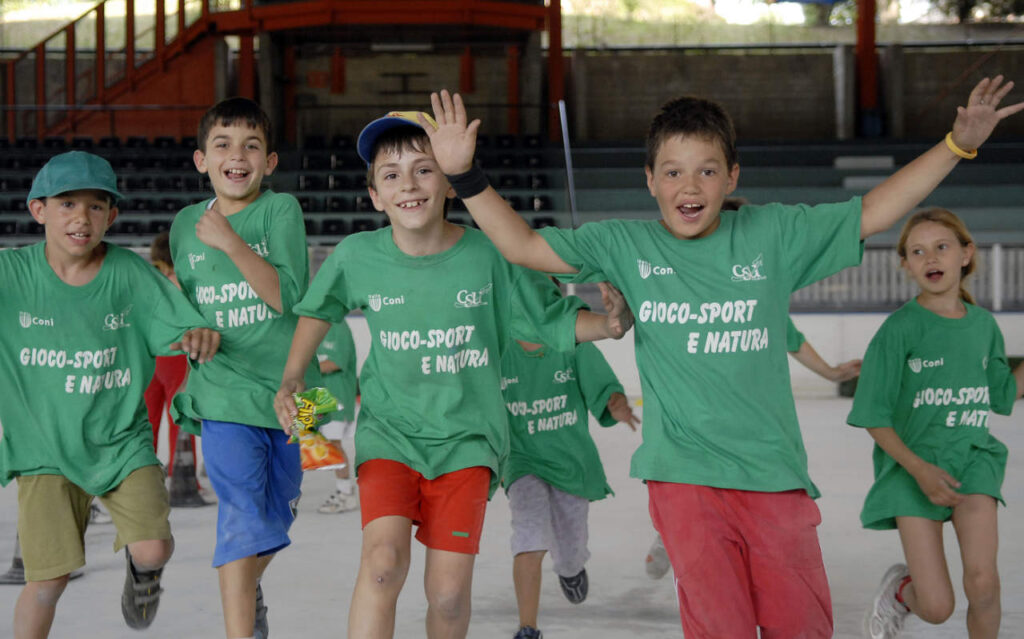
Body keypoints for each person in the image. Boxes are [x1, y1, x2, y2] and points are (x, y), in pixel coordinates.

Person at [419, 77, 1023, 638]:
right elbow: (522, 245)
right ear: (649, 180)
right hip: (684, 479)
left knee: (802, 628)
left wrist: (957, 146)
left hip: (774, 478)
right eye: (674, 172)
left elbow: (875, 210)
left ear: (731, 177)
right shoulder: (623, 244)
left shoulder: (771, 234)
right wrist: (465, 176)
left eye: (707, 170)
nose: (690, 186)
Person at [274, 110, 632, 639]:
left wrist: (610, 324)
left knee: (446, 595)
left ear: (448, 183)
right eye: (390, 175)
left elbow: (548, 320)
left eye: (424, 169)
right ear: (374, 195)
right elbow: (316, 309)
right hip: (389, 435)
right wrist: (292, 378)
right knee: (382, 564)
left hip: (468, 442)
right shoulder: (356, 255)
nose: (408, 185)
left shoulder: (489, 256)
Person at [0, 151, 219, 639]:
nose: (82, 217)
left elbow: (183, 325)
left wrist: (197, 334)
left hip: (122, 439)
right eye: (67, 204)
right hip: (43, 450)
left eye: (96, 206)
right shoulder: (11, 275)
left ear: (112, 216)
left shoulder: (128, 272)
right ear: (38, 210)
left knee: (154, 548)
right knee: (46, 581)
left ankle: (143, 579)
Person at [169, 97, 320, 639]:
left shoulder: (282, 211)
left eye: (251, 145)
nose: (237, 155)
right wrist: (187, 331)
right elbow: (179, 309)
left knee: (281, 516)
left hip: (299, 392)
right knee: (240, 514)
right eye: (223, 145)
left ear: (270, 162)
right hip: (221, 390)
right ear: (200, 160)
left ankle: (245, 585)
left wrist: (232, 243)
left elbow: (289, 297)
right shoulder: (185, 224)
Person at [849, 208, 1024, 639]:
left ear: (965, 254)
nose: (931, 258)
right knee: (938, 607)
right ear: (906, 265)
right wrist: (921, 471)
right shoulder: (898, 331)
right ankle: (903, 591)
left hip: (972, 462)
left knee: (984, 583)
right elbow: (873, 416)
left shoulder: (984, 326)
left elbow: (1003, 395)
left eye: (941, 247)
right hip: (913, 470)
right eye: (918, 251)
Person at [643, 314, 862, 579]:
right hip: (694, 420)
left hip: (749, 422)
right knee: (696, 489)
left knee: (740, 501)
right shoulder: (680, 294)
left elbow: (788, 336)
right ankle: (674, 530)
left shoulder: (755, 293)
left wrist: (832, 372)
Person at [502, 335, 639, 639]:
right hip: (522, 461)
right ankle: (528, 628)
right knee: (529, 535)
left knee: (571, 543)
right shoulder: (499, 345)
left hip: (571, 461)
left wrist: (615, 402)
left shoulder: (572, 343)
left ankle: (570, 567)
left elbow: (604, 387)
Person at [146, 230, 206, 504]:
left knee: (148, 420)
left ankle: (142, 478)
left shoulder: (151, 282)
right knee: (178, 417)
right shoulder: (183, 282)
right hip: (175, 354)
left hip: (149, 354)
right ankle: (182, 475)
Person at [315, 317, 360, 514]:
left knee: (334, 444)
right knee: (307, 444)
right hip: (313, 394)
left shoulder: (338, 326)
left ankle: (346, 493)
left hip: (334, 394)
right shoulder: (310, 324)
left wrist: (299, 368)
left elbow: (335, 362)